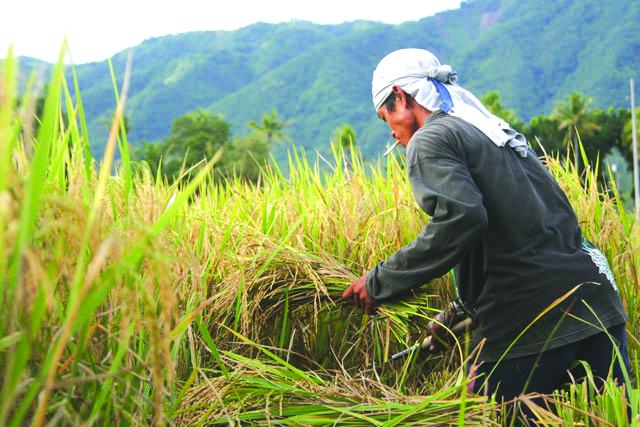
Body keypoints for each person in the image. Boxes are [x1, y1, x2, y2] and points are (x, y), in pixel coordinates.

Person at [342, 48, 629, 421]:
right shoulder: (491, 131)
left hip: (531, 316)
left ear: (401, 96)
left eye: (388, 120)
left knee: (486, 416)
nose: (395, 136)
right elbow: (519, 232)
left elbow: (461, 220)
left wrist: (379, 282)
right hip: (598, 302)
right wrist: (462, 311)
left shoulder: (430, 140)